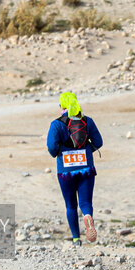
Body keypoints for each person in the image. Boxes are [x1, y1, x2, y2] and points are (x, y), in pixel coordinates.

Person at [47, 92, 103, 247]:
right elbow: (98, 142)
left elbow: (52, 147)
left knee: (71, 205)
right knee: (86, 201)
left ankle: (76, 239)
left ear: (62, 106)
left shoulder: (56, 124)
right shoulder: (88, 121)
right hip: (86, 169)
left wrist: (60, 154)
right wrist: (85, 152)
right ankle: (87, 216)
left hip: (65, 171)